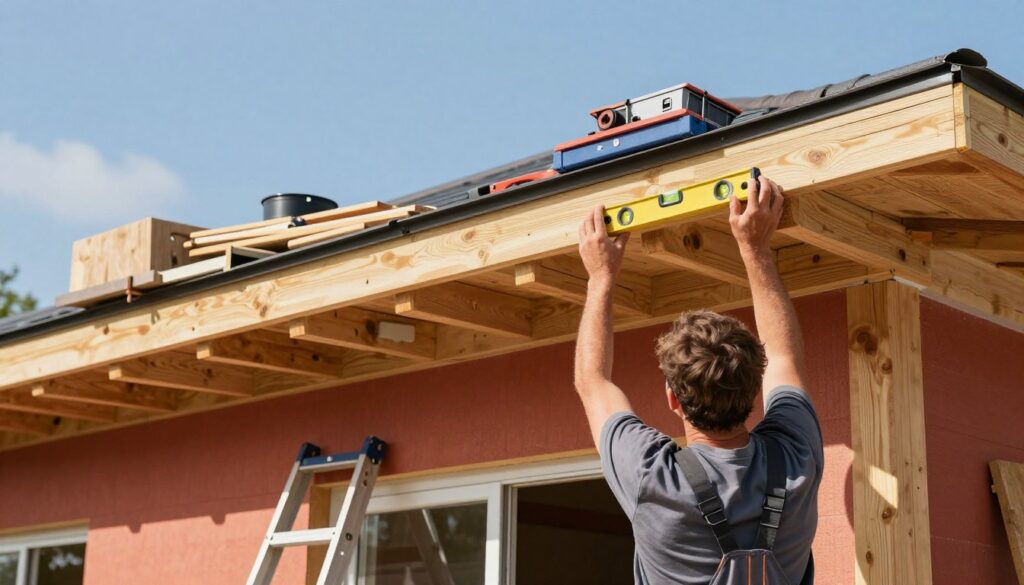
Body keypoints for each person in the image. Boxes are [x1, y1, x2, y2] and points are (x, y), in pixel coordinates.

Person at [573, 174, 822, 584]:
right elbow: (784, 355)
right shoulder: (796, 458)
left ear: (673, 398)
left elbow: (593, 381)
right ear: (753, 389)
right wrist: (755, 249)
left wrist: (600, 276)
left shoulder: (652, 475)